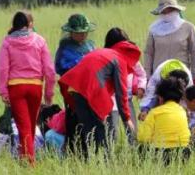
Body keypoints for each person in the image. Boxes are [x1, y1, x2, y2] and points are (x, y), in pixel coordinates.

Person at [58, 27, 141, 159]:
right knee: (103, 132)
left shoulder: (101, 52)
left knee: (89, 131)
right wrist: (126, 119)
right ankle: (106, 164)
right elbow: (121, 93)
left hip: (75, 90)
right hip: (90, 91)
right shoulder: (119, 59)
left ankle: (90, 162)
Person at [0, 10, 56, 165]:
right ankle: (28, 161)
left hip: (16, 88)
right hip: (35, 87)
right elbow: (49, 70)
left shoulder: (7, 41)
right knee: (29, 126)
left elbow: (3, 68)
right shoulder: (40, 40)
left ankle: (28, 163)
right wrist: (49, 94)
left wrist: (3, 90)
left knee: (23, 127)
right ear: (30, 24)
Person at [54, 13, 96, 153]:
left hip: (89, 89)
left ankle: (89, 149)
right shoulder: (65, 48)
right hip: (72, 90)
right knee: (74, 118)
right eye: (79, 33)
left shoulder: (90, 45)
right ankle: (73, 151)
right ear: (71, 32)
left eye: (85, 32)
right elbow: (61, 66)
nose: (83, 35)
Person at [144, 0, 195, 85]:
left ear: (176, 10)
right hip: (159, 77)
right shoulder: (154, 30)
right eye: (163, 11)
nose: (167, 13)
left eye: (169, 10)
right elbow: (148, 53)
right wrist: (147, 76)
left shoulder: (188, 27)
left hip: (181, 77)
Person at [104, 28, 147, 145]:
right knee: (112, 131)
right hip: (111, 100)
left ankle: (134, 154)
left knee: (132, 130)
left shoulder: (131, 58)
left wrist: (141, 87)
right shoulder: (106, 58)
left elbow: (142, 74)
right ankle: (110, 155)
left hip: (126, 99)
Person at [137, 77, 191, 166]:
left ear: (160, 97)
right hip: (183, 153)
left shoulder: (155, 112)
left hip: (161, 154)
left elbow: (143, 137)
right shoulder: (183, 111)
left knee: (140, 147)